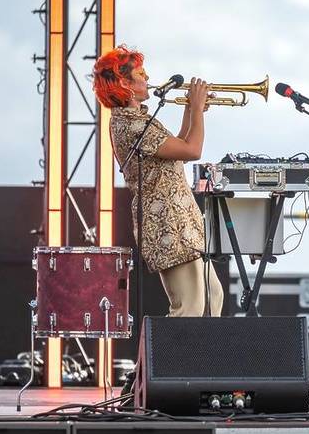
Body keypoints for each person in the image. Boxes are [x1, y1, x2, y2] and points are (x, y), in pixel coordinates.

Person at [93, 45, 224, 317]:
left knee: (212, 298)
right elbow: (193, 150)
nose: (148, 77)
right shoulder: (131, 125)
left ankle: (201, 348)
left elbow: (180, 149)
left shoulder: (139, 120)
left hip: (182, 223)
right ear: (125, 84)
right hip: (168, 226)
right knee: (189, 308)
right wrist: (197, 109)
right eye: (141, 74)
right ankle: (175, 348)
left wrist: (191, 110)